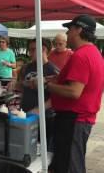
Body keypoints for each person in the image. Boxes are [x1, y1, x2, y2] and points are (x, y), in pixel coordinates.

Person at [46, 15, 104, 173]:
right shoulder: (93, 52)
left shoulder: (81, 55)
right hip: (79, 119)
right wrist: (55, 79)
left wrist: (47, 85)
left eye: (69, 29)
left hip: (74, 120)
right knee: (70, 163)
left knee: (71, 167)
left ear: (79, 30)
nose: (67, 33)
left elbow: (74, 91)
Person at [17, 38, 59, 150]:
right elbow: (22, 87)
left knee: (42, 150)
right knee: (27, 146)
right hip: (26, 115)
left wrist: (39, 109)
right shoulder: (26, 67)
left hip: (45, 118)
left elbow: (57, 97)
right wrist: (15, 85)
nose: (30, 53)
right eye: (29, 50)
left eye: (33, 50)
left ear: (43, 49)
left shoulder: (53, 71)